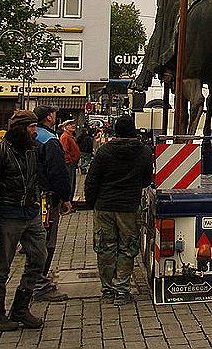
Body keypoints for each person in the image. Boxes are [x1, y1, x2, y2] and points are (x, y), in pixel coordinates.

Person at [0, 110, 47, 332]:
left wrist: (36, 200)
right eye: (31, 128)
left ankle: (20, 308)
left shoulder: (31, 150)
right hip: (8, 215)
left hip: (30, 213)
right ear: (20, 129)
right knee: (2, 267)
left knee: (39, 257)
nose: (35, 132)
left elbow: (33, 178)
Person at [84, 115, 152, 305]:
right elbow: (147, 180)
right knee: (127, 247)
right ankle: (122, 290)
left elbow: (92, 180)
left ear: (116, 130)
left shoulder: (104, 151)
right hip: (129, 207)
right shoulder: (144, 151)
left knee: (106, 248)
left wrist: (91, 202)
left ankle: (107, 290)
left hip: (104, 206)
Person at [32, 105, 72, 302]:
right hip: (47, 199)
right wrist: (65, 198)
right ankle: (39, 284)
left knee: (35, 239)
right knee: (47, 239)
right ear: (48, 117)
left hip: (28, 197)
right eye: (54, 114)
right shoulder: (50, 140)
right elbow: (58, 172)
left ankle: (34, 281)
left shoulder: (29, 136)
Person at [59, 120, 81, 201]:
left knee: (72, 183)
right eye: (70, 124)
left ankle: (70, 202)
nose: (73, 126)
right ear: (65, 127)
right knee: (69, 183)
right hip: (69, 164)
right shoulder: (65, 137)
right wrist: (70, 161)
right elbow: (64, 151)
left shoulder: (69, 136)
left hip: (71, 163)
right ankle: (67, 203)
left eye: (73, 124)